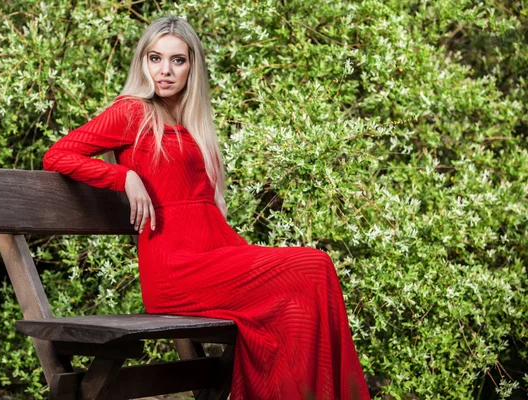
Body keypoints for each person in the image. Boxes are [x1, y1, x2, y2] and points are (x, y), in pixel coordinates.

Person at [43, 16, 370, 400]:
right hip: (173, 268)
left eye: (177, 60)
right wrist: (124, 178)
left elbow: (204, 209)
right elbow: (58, 155)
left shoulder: (193, 121)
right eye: (155, 58)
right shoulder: (132, 112)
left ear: (192, 67)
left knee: (303, 292)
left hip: (214, 253)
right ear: (142, 62)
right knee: (312, 266)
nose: (164, 71)